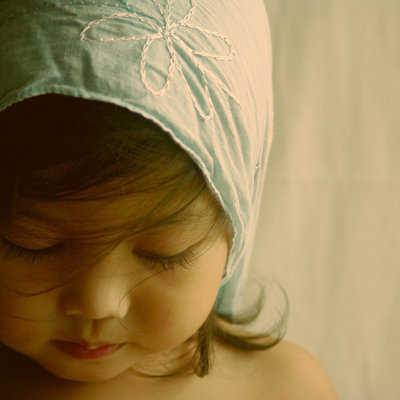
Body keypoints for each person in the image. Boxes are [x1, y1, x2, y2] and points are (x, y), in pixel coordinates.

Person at [0, 0, 338, 398]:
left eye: (164, 254)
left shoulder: (283, 388)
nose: (98, 304)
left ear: (233, 228)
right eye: (35, 246)